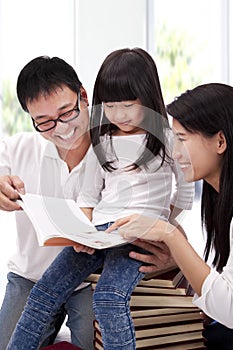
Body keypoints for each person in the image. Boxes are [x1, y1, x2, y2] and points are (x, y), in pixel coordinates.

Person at [6, 48, 194, 350]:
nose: (119, 115)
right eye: (110, 106)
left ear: (147, 98)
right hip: (100, 231)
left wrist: (163, 228)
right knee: (43, 292)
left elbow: (185, 193)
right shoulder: (102, 139)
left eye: (128, 106)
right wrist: (81, 229)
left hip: (139, 235)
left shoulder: (168, 139)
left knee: (109, 297)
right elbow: (89, 195)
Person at [109, 83, 233, 350]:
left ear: (220, 142)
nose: (175, 153)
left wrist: (170, 234)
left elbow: (229, 308)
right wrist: (175, 259)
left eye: (183, 138)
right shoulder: (218, 197)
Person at [0, 55, 96, 349]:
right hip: (31, 277)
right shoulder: (19, 148)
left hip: (90, 280)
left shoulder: (113, 154)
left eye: (67, 113)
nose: (62, 129)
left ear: (83, 95)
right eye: (45, 122)